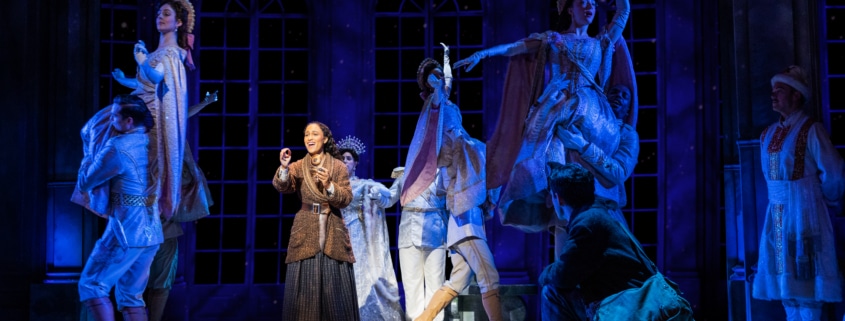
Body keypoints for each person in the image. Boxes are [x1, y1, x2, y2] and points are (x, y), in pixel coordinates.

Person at [71, 1, 213, 319]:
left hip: (130, 224)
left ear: (178, 23)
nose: (159, 17)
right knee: (131, 294)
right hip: (147, 227)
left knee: (94, 286)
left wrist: (141, 60)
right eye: (159, 12)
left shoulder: (169, 56)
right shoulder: (161, 57)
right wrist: (129, 78)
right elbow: (148, 83)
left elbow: (157, 79)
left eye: (166, 14)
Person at [452, 0, 635, 235]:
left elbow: (623, 10)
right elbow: (514, 48)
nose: (589, 6)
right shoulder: (553, 39)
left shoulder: (601, 41)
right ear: (570, 8)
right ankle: (556, 200)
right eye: (583, 2)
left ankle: (585, 204)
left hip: (592, 112)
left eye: (592, 2)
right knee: (547, 151)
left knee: (585, 159)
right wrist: (482, 53)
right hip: (558, 104)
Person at [408, 48, 503, 321]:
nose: (441, 79)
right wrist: (458, 145)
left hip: (465, 210)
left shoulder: (447, 102)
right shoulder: (435, 107)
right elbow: (436, 145)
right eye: (434, 76)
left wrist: (447, 59)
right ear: (429, 83)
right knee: (489, 276)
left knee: (457, 282)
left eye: (440, 74)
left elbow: (448, 82)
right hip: (464, 219)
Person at [539, 162, 692, 320]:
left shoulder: (588, 223)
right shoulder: (599, 214)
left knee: (552, 292)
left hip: (628, 304)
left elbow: (563, 276)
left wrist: (545, 274)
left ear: (559, 198)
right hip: (630, 298)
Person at [753, 65, 845, 321]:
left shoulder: (810, 130)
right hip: (778, 212)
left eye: (779, 91)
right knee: (785, 281)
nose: (773, 96)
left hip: (805, 210)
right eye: (773, 91)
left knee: (806, 278)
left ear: (796, 95)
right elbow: (768, 174)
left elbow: (834, 171)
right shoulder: (768, 134)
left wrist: (827, 197)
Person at [76, 95, 163, 321]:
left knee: (92, 284)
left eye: (115, 116)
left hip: (127, 229)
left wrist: (88, 153)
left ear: (129, 122)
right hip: (151, 231)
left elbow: (86, 181)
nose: (111, 119)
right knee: (131, 295)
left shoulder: (118, 146)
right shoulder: (152, 142)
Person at [273, 121, 357, 321]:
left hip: (332, 229)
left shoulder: (338, 166)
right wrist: (284, 168)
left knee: (335, 293)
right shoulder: (298, 166)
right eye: (306, 135)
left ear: (325, 139)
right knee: (304, 292)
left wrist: (329, 184)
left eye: (314, 134)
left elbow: (346, 199)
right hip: (305, 229)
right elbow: (282, 186)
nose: (309, 138)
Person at [554, 84, 639, 252]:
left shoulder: (628, 135)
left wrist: (584, 147)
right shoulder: (584, 122)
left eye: (624, 96)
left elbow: (619, 172)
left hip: (603, 208)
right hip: (569, 208)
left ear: (629, 109)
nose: (619, 97)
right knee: (567, 270)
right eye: (614, 91)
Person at [336, 135, 404, 320]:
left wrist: (386, 188)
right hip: (335, 235)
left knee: (359, 275)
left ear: (355, 163)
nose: (345, 162)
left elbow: (384, 192)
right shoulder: (331, 186)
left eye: (348, 159)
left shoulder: (362, 184)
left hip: (356, 235)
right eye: (341, 159)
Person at [386, 166, 449, 321]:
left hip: (435, 232)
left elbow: (453, 199)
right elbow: (389, 198)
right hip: (409, 233)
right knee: (411, 285)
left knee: (436, 283)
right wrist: (376, 194)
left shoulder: (443, 174)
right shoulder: (405, 173)